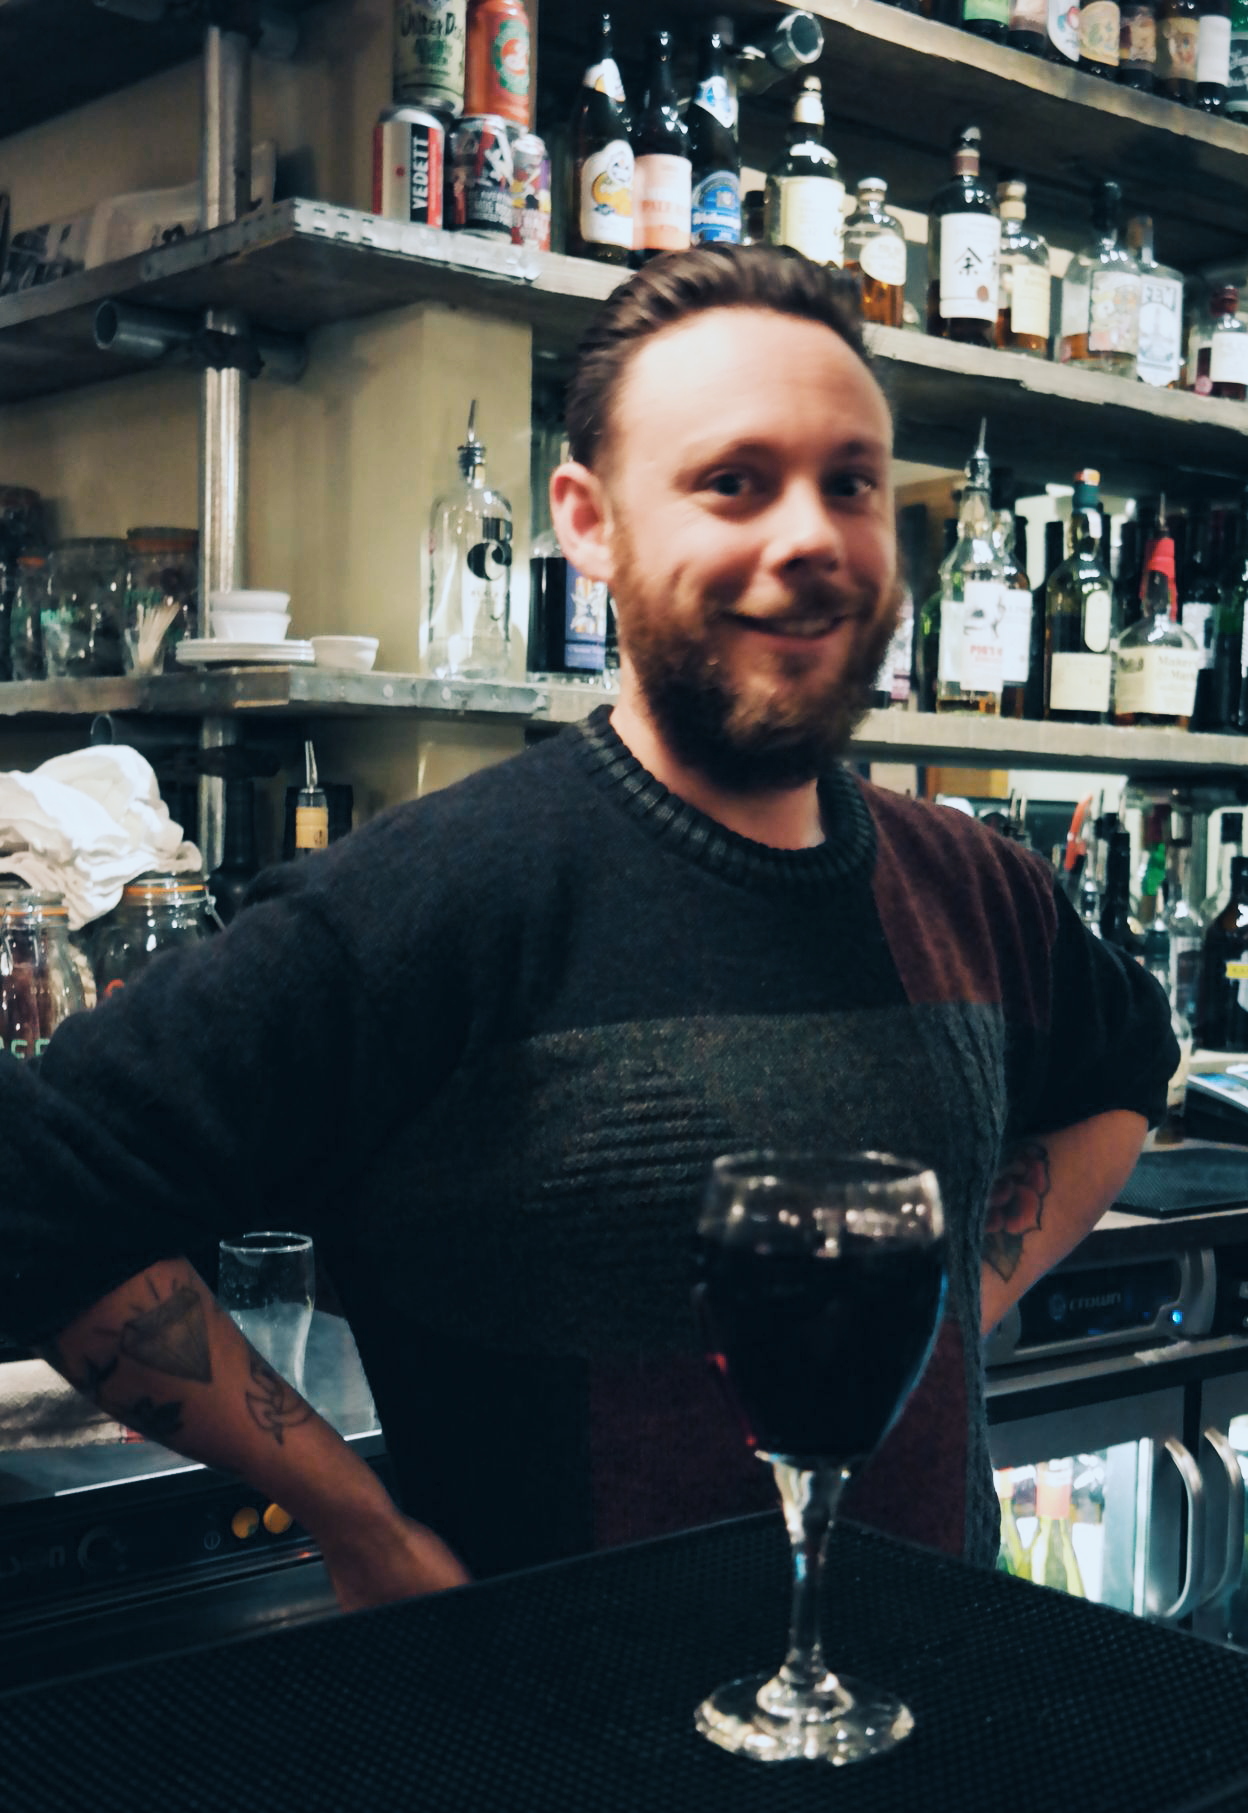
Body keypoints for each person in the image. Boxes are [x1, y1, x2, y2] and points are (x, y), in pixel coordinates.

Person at [0, 247, 1176, 1609]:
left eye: (850, 482)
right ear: (589, 522)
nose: (808, 535)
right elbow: (40, 1189)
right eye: (734, 480)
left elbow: (1123, 1069)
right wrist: (352, 1516)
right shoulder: (443, 895)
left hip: (927, 1684)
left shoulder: (976, 883)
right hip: (557, 1711)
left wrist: (946, 1302)